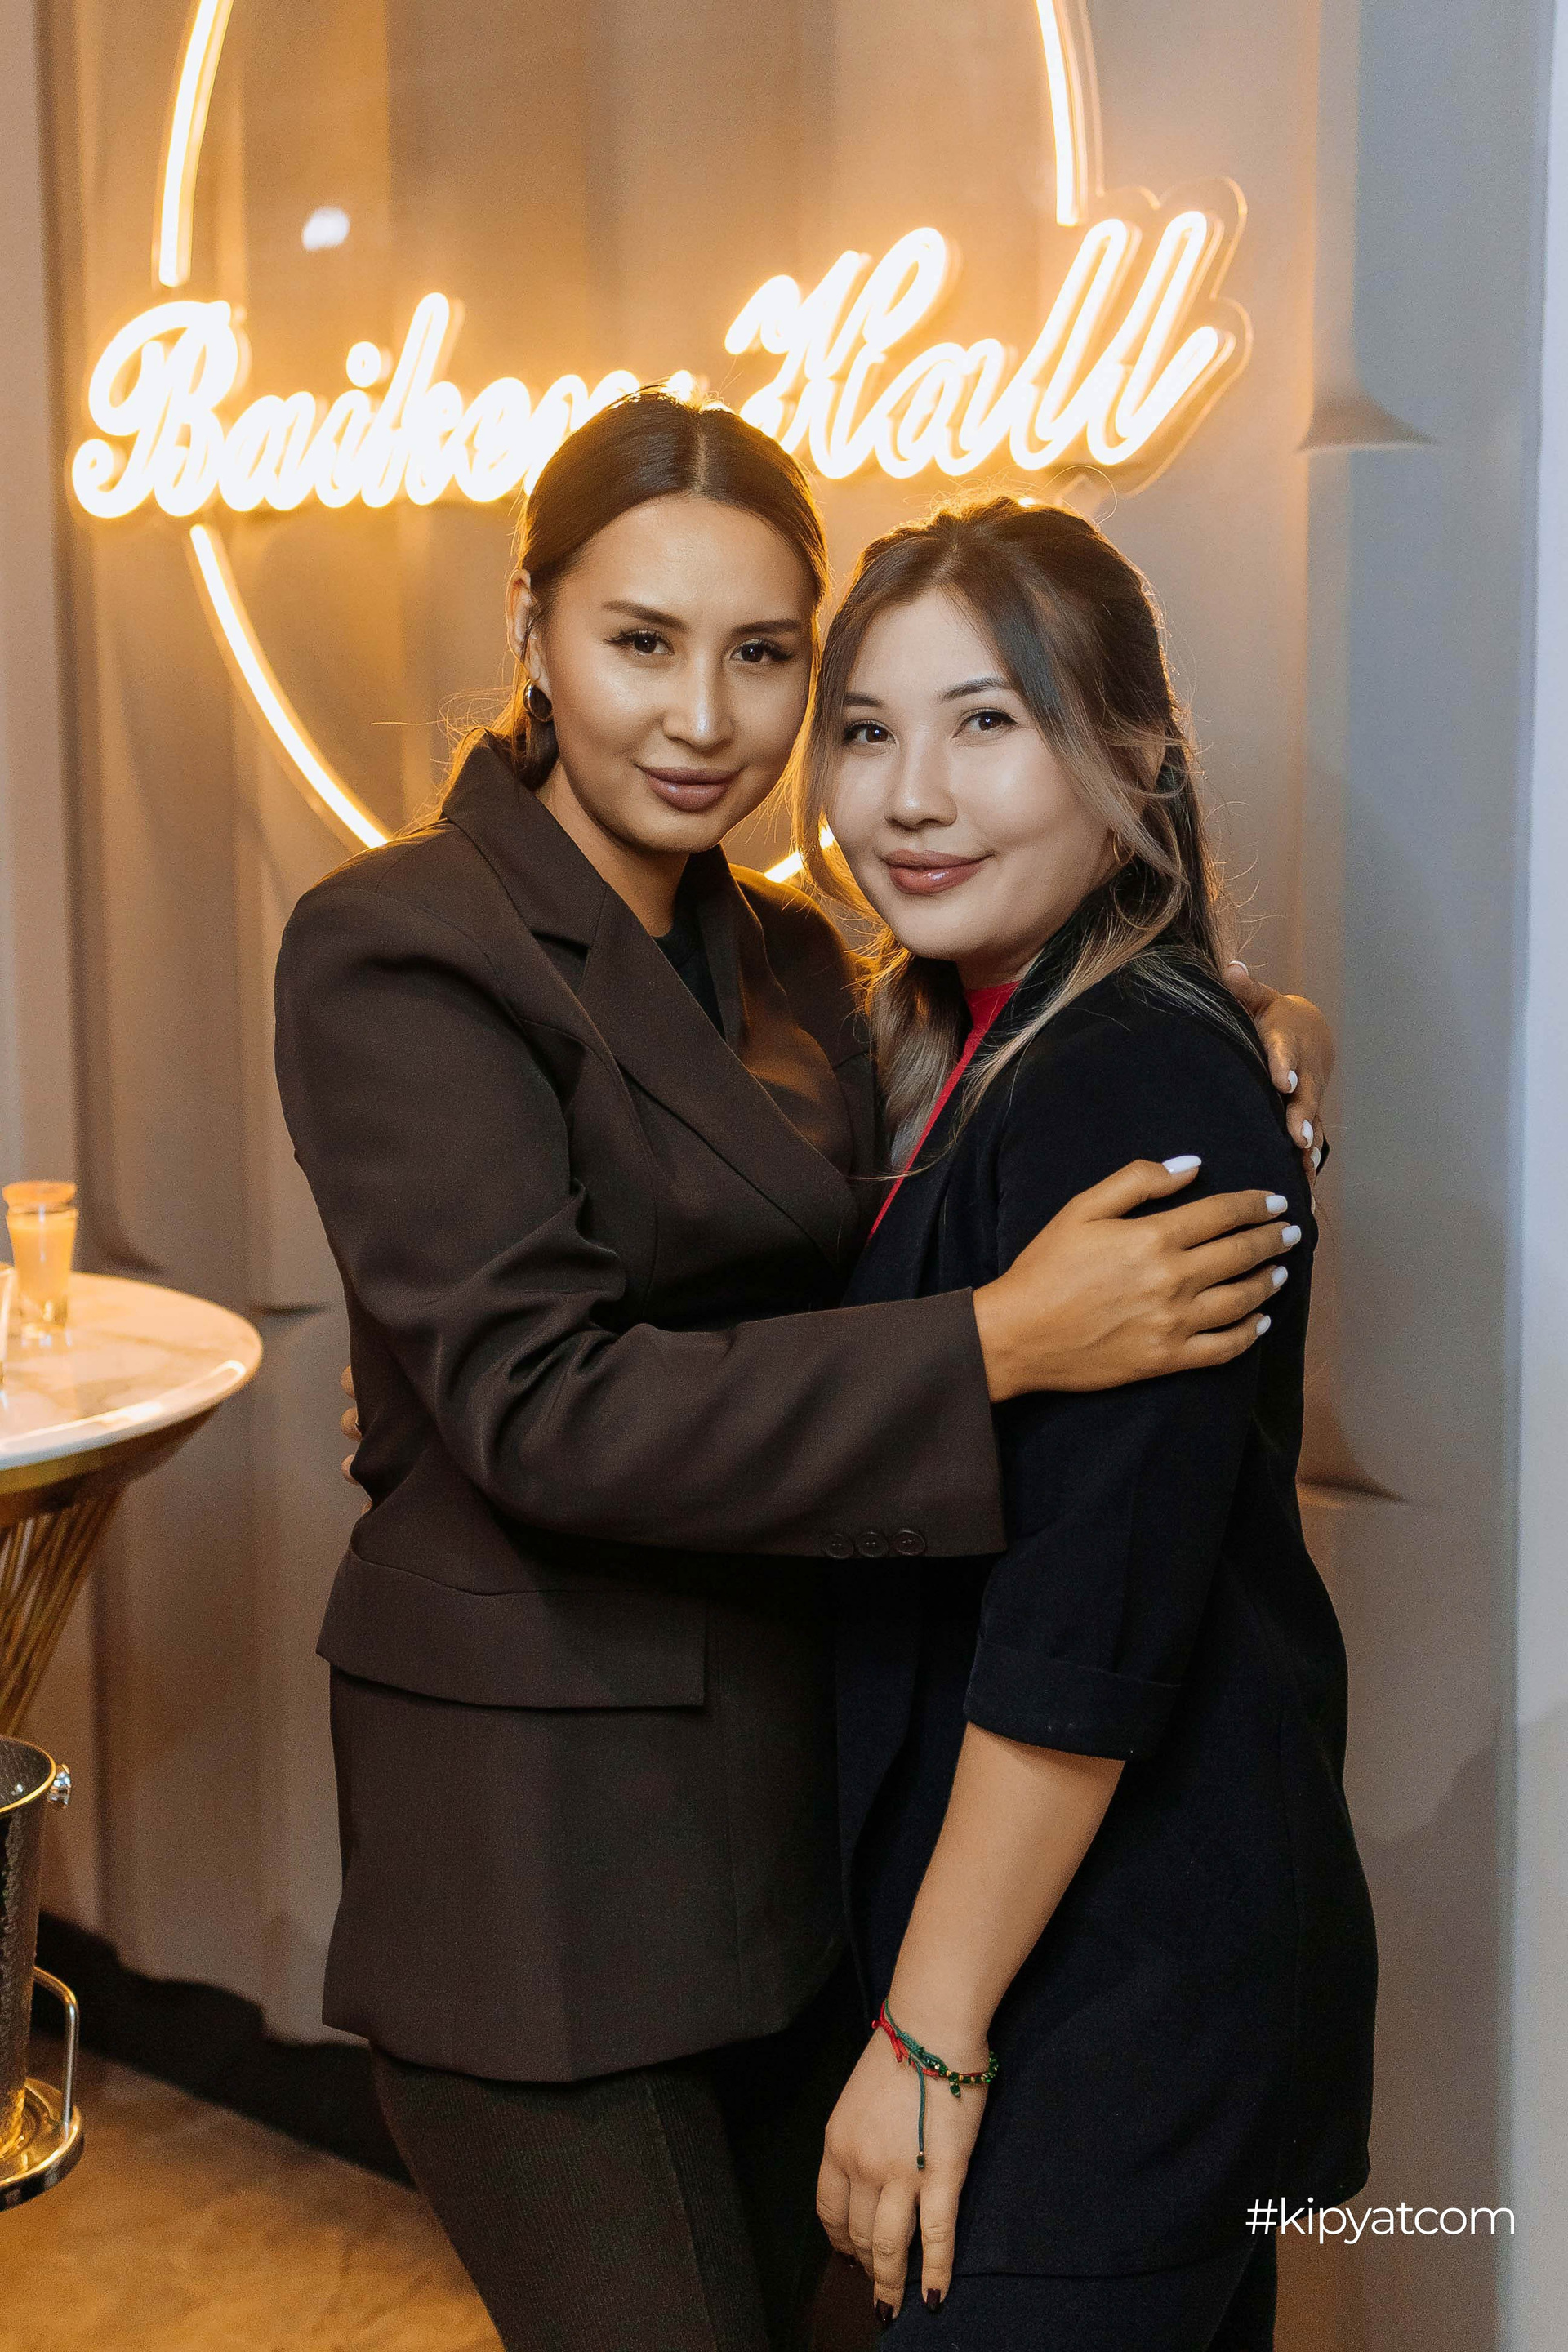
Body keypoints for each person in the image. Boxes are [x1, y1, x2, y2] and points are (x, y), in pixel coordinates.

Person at [274, 392, 1333, 2352]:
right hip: (544, 1863)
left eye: (765, 656)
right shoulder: (400, 941)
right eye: (641, 641)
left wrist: (1240, 1020)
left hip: (796, 1841)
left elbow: (1012, 1048)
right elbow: (540, 1406)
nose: (704, 718)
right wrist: (1001, 1340)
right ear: (531, 631)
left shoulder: (786, 959)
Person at [808, 498, 1377, 2350]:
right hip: (1076, 1962)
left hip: (1108, 1988)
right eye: (868, 729)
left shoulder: (1129, 1078)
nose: (910, 796)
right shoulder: (962, 1034)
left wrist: (929, 2036)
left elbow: (1089, 1624)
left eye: (987, 721)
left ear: (1134, 753)